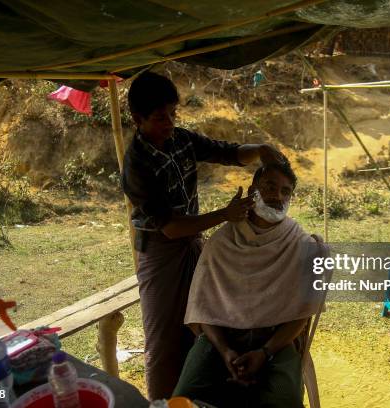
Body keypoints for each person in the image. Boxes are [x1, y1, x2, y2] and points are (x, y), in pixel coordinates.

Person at [121, 71, 285, 400]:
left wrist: (261, 150)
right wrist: (224, 215)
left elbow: (226, 151)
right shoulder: (137, 166)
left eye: (172, 113)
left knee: (200, 322)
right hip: (161, 251)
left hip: (191, 244)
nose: (169, 122)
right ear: (138, 119)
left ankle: (194, 396)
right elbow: (169, 226)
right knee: (164, 338)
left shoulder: (181, 140)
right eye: (159, 117)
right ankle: (164, 401)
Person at [173, 162, 329, 408]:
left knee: (284, 400)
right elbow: (204, 309)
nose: (277, 196)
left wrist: (265, 352)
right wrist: (225, 351)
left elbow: (301, 315)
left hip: (276, 342)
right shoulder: (221, 242)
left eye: (285, 191)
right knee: (184, 398)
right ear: (251, 192)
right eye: (269, 186)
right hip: (220, 339)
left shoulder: (300, 245)